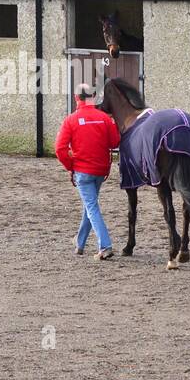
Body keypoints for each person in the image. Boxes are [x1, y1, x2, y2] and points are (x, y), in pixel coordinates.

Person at [55, 83, 121, 260]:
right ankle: (80, 243)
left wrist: (71, 166)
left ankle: (105, 246)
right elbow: (115, 142)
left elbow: (60, 149)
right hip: (100, 171)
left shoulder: (70, 120)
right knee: (89, 205)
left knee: (91, 206)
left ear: (77, 98)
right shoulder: (104, 118)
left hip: (83, 172)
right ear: (94, 97)